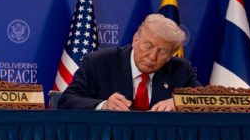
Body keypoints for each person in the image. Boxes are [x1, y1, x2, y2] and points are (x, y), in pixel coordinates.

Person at [58, 14, 201, 111]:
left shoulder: (181, 70)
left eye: (162, 51)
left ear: (170, 55)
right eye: (148, 46)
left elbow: (210, 101)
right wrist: (104, 105)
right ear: (135, 40)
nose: (152, 56)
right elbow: (67, 100)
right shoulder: (98, 63)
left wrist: (180, 103)